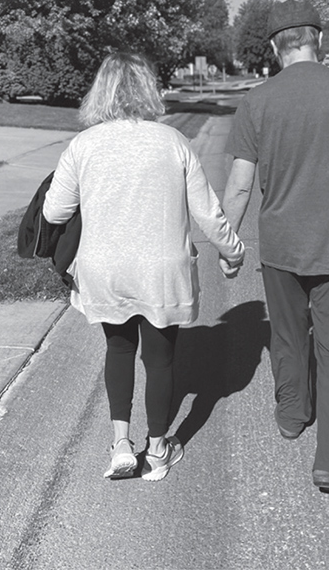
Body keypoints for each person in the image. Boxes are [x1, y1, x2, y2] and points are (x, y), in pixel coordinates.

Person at [43, 50, 244, 481]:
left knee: (118, 349)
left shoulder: (83, 145)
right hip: (160, 269)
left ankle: (120, 445)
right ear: (149, 90)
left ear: (101, 92)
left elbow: (55, 212)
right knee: (161, 358)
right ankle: (156, 451)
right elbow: (207, 212)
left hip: (105, 269)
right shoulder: (172, 142)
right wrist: (233, 251)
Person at [222, 0, 329, 495]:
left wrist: (229, 244)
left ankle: (293, 413)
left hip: (280, 247)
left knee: (289, 336)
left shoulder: (257, 101)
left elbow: (237, 187)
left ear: (276, 46)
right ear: (318, 41)